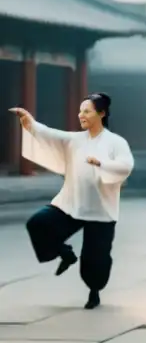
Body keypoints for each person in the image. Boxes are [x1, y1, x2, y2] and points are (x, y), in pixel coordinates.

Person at [10, 93, 134, 310]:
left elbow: (126, 165)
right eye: (80, 111)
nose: (81, 115)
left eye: (86, 111)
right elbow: (49, 135)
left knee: (95, 260)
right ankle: (63, 253)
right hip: (71, 204)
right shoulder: (75, 140)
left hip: (100, 210)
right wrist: (29, 122)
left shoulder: (116, 142)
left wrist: (101, 163)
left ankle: (94, 292)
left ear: (101, 113)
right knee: (38, 223)